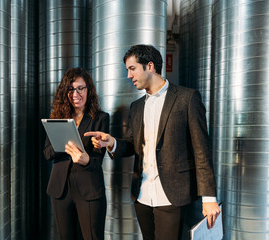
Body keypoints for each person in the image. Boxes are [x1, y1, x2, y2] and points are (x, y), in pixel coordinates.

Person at [85, 45, 221, 240]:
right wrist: (112, 142)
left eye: (132, 69)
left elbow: (202, 150)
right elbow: (132, 144)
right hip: (142, 195)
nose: (129, 76)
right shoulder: (137, 106)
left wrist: (209, 198)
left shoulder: (187, 98)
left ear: (150, 66)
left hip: (173, 196)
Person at [43, 67, 109, 240]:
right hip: (61, 190)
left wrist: (86, 159)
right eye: (71, 89)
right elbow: (47, 153)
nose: (76, 94)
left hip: (89, 189)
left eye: (81, 88)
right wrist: (62, 143)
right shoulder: (57, 118)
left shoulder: (101, 118)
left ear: (89, 90)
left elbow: (97, 161)